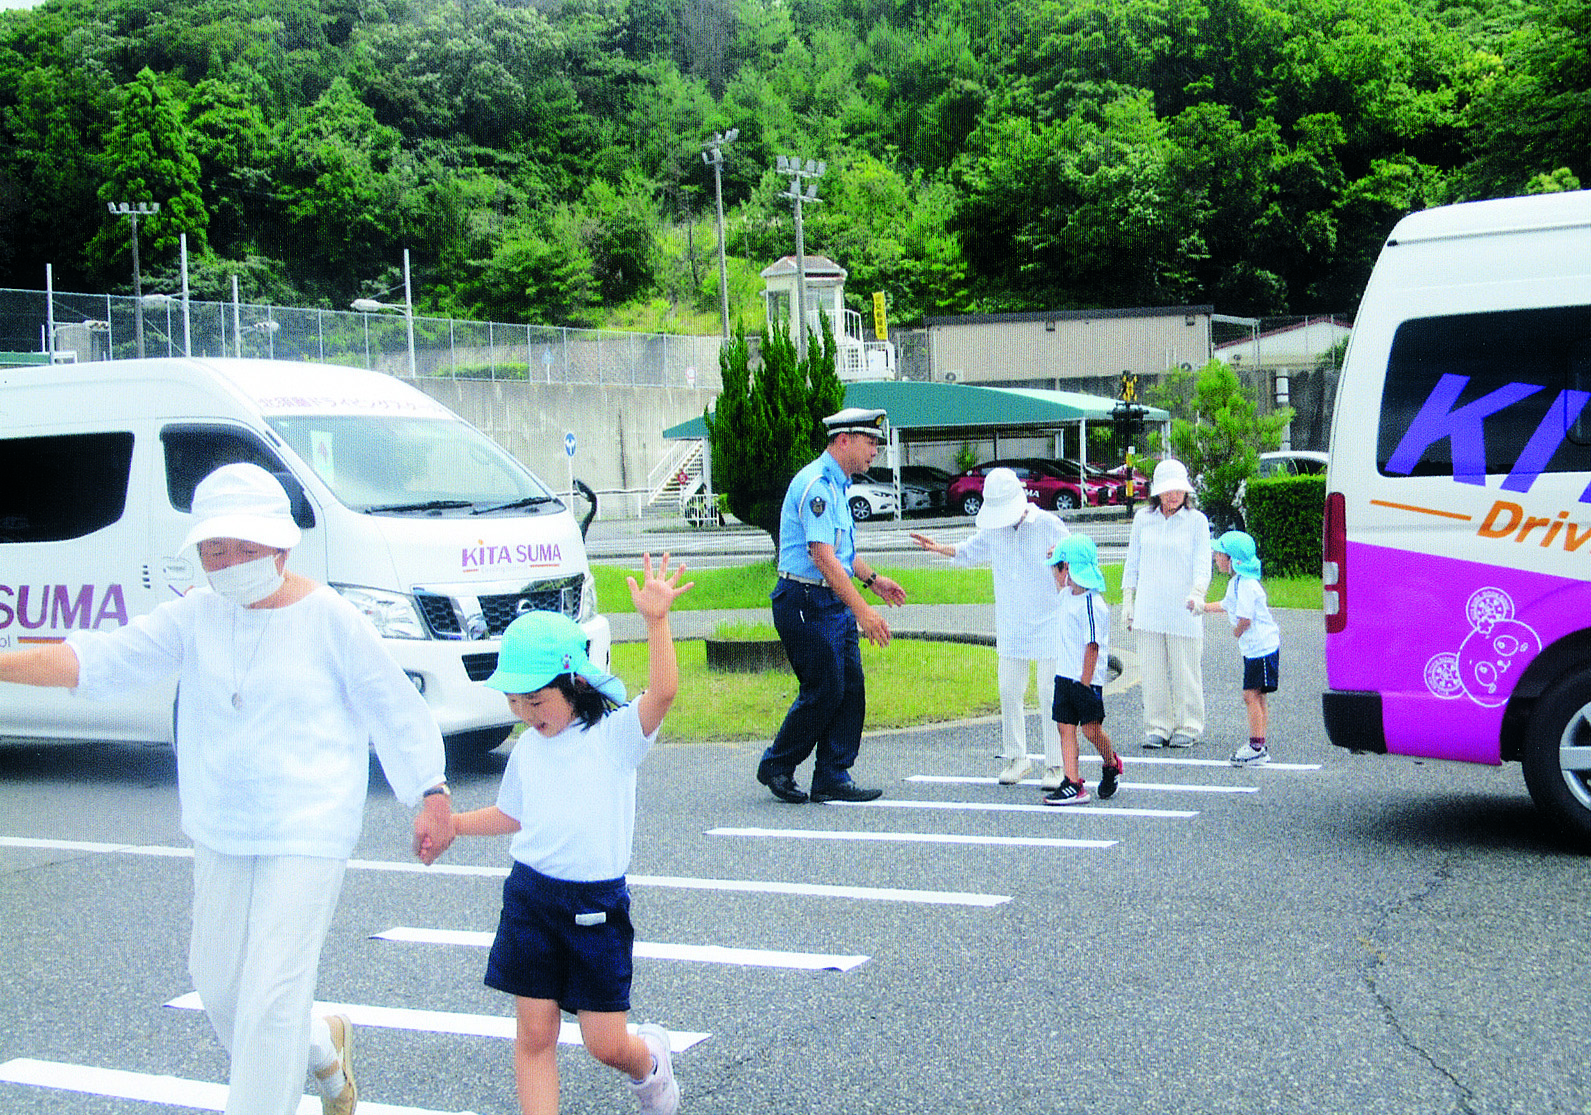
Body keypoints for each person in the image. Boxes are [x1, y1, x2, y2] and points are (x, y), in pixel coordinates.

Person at [0, 462, 455, 1115]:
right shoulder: (195, 615)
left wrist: (429, 792)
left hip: (309, 825)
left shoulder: (331, 618)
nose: (231, 561)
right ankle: (321, 1043)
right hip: (221, 821)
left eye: (247, 547)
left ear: (282, 545)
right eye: (216, 549)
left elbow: (394, 708)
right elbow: (94, 661)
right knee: (220, 987)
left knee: (270, 995)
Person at [435, 553, 690, 1115]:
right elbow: (513, 816)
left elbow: (664, 692)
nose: (526, 712)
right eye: (515, 701)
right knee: (534, 1038)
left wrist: (655, 621)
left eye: (537, 699)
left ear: (574, 682)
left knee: (605, 1044)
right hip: (529, 897)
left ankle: (650, 1064)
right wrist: (454, 824)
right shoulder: (528, 747)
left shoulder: (617, 736)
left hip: (594, 907)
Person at [757, 407, 907, 805]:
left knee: (850, 687)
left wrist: (874, 581)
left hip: (829, 600)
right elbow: (822, 556)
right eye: (870, 441)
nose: (876, 450)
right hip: (805, 600)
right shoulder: (818, 486)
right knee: (825, 689)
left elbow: (842, 554)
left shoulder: (838, 485)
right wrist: (863, 610)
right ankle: (777, 765)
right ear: (844, 440)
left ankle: (832, 775)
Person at [911, 468, 1070, 787]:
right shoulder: (995, 529)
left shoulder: (1049, 525)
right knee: (1009, 690)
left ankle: (1057, 764)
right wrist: (938, 548)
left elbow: (1077, 559)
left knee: (1049, 692)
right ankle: (1016, 756)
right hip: (1012, 622)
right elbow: (970, 550)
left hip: (1051, 620)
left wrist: (1064, 559)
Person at [1120, 458, 1212, 749]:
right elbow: (1132, 562)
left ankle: (1189, 724)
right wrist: (1128, 600)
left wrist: (1198, 593)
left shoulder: (1196, 522)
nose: (1174, 496)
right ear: (1157, 492)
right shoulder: (1142, 520)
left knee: (1186, 671)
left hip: (1184, 609)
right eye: (1168, 490)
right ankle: (1158, 724)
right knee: (1152, 671)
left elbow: (1202, 563)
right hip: (1149, 609)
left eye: (1179, 490)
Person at [1041, 534, 1124, 806]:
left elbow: (1093, 647)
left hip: (1085, 679)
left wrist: (1085, 684)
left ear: (1070, 568)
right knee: (1065, 727)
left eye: (1059, 566)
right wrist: (1055, 557)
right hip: (1064, 675)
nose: (1056, 572)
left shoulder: (1092, 604)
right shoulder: (1067, 595)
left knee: (1090, 730)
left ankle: (1111, 763)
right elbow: (1058, 584)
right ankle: (1072, 782)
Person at [1193, 530, 1279, 766]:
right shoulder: (1237, 583)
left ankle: (1256, 747)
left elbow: (1245, 618)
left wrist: (1237, 632)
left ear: (1233, 560)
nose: (1215, 557)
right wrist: (1200, 606)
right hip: (1258, 648)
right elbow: (1226, 604)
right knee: (1258, 695)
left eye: (1220, 554)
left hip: (1260, 648)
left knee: (1251, 695)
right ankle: (1259, 743)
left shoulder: (1247, 586)